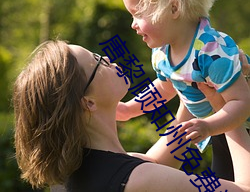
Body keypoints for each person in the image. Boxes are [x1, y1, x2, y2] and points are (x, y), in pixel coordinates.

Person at [13, 40, 250, 192]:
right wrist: (228, 107)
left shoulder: (80, 175)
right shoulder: (138, 180)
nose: (108, 59)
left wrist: (191, 75)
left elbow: (155, 161)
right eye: (98, 62)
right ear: (88, 102)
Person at [119, 0, 250, 180]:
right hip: (215, 126)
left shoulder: (211, 51)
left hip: (239, 127)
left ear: (173, 9)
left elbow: (242, 102)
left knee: (230, 182)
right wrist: (130, 108)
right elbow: (165, 87)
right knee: (153, 164)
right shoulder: (162, 51)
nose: (133, 24)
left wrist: (208, 126)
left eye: (138, 14)